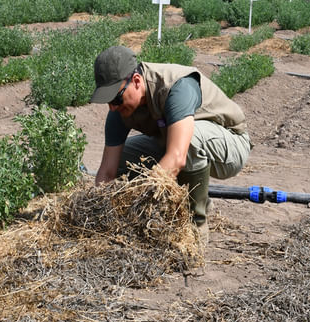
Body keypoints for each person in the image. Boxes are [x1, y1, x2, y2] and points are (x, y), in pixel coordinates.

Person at [91, 45, 252, 243]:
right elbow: (107, 171)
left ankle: (195, 229)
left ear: (136, 81)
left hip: (231, 146)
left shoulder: (176, 87)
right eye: (107, 100)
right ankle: (199, 199)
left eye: (116, 98)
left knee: (189, 141)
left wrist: (144, 202)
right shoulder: (119, 110)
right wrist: (98, 213)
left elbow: (176, 157)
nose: (112, 107)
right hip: (174, 143)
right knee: (125, 159)